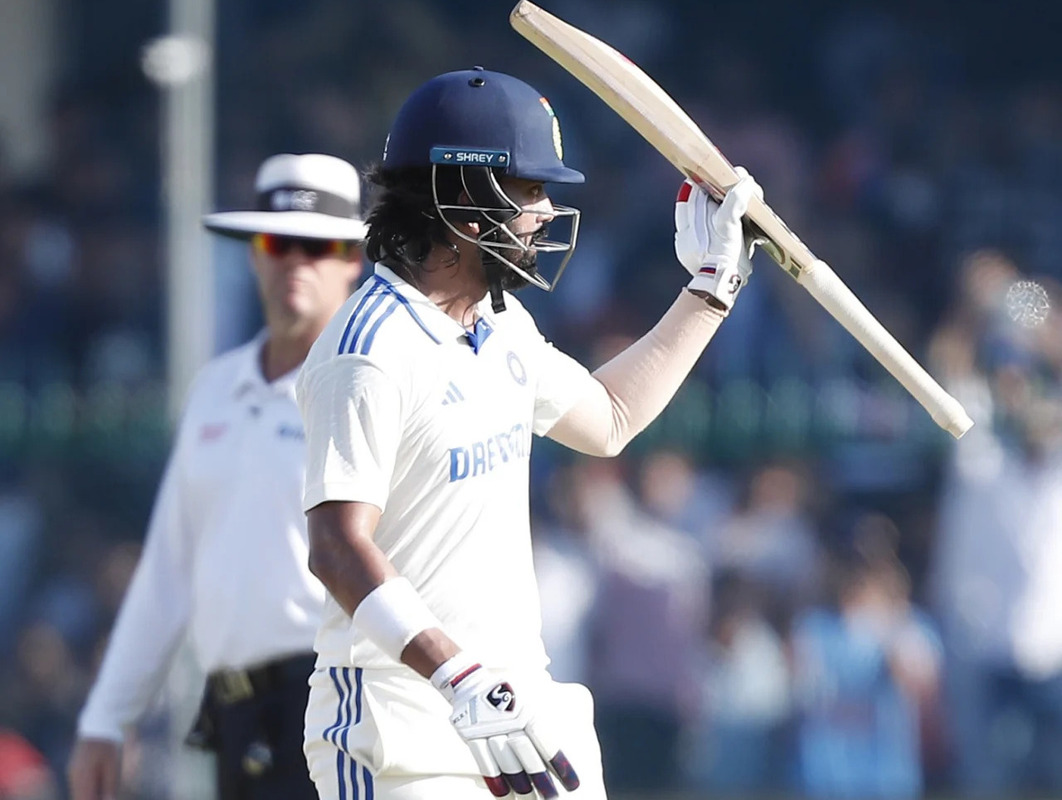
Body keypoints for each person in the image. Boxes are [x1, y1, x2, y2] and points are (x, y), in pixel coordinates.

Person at [296, 67, 763, 800]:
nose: (546, 214)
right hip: (402, 729)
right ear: (463, 204)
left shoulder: (501, 324)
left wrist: (709, 290)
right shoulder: (369, 349)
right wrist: (458, 674)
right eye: (530, 192)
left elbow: (607, 419)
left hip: (522, 706)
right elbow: (335, 547)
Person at [66, 153, 367, 800]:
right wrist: (106, 717)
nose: (295, 262)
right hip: (235, 709)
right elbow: (169, 567)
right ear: (255, 254)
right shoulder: (215, 388)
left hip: (345, 705)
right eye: (278, 242)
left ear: (353, 259)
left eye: (316, 246)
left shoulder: (369, 389)